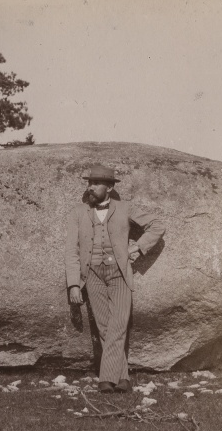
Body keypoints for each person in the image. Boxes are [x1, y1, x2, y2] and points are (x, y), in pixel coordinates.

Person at [65, 165, 165, 393]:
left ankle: (105, 378)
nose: (90, 187)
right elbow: (71, 250)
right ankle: (122, 379)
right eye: (89, 183)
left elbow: (157, 225)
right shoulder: (77, 213)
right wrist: (73, 284)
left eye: (96, 183)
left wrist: (138, 249)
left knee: (118, 325)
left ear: (109, 187)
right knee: (103, 327)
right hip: (91, 275)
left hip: (119, 273)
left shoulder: (125, 208)